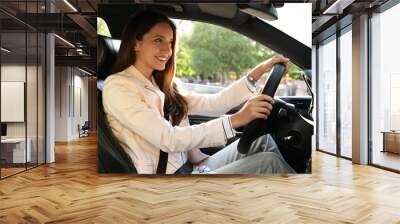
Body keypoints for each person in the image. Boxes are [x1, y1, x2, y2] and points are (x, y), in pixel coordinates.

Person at [102, 10, 295, 174]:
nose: (167, 50)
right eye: (158, 40)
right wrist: (237, 119)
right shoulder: (118, 87)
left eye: (170, 42)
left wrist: (260, 71)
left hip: (192, 168)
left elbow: (215, 103)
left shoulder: (163, 84)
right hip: (168, 185)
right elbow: (168, 139)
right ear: (136, 43)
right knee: (270, 163)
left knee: (263, 141)